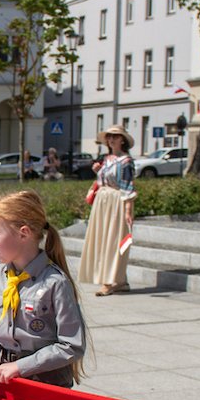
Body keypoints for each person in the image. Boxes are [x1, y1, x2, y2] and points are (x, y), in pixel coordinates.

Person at [0, 190, 87, 400]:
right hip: (8, 386)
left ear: (24, 233)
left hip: (47, 387)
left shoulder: (55, 283)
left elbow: (72, 345)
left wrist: (22, 366)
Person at [78, 124, 136, 296]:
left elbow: (127, 187)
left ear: (122, 140)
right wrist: (98, 171)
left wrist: (128, 210)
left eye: (115, 136)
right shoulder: (107, 159)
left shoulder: (126, 161)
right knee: (103, 240)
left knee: (114, 239)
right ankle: (120, 280)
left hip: (116, 202)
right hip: (102, 202)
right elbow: (103, 180)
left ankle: (110, 281)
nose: (111, 139)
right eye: (109, 136)